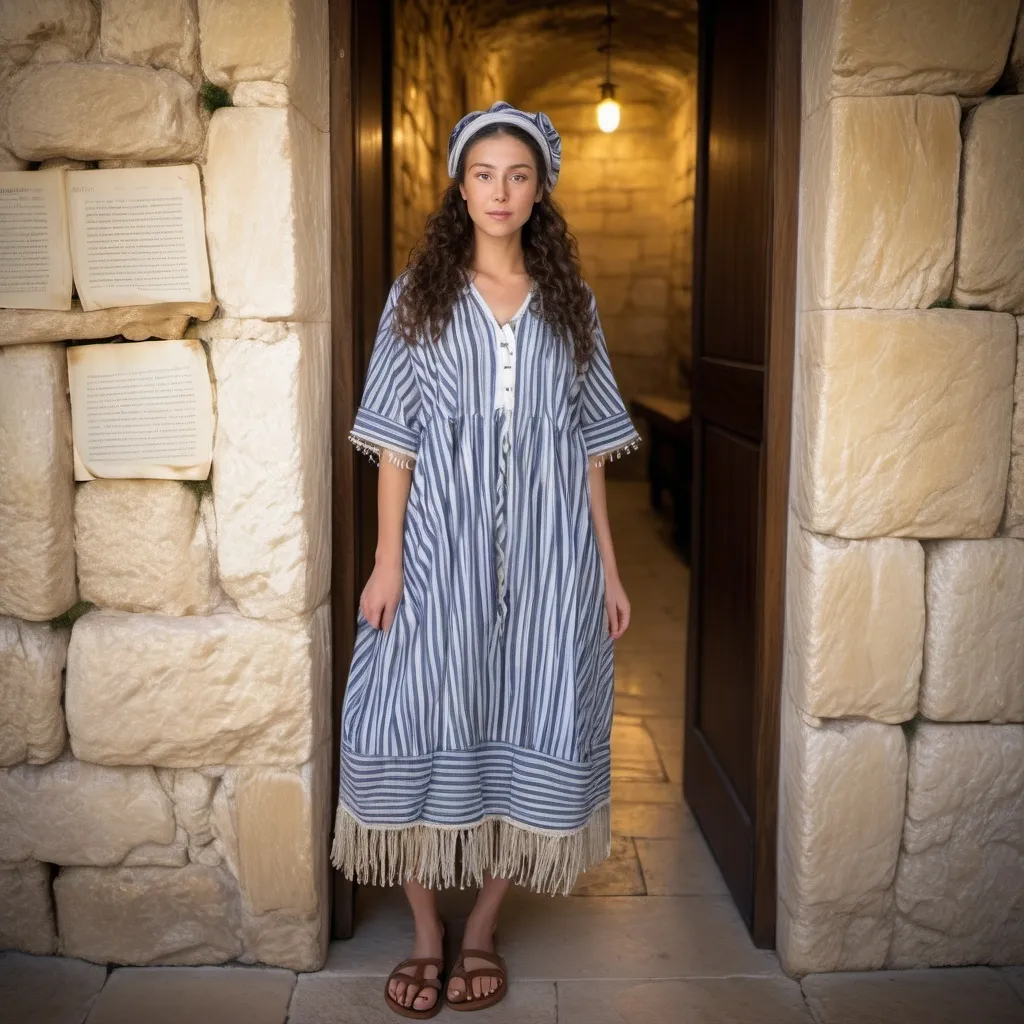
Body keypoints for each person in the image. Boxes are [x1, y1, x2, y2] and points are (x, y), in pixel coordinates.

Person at [331, 100, 642, 1018]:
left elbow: (589, 447)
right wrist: (388, 561)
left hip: (552, 557)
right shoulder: (415, 298)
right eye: (482, 174)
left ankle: (481, 930)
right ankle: (426, 931)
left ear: (540, 189)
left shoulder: (569, 305)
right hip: (439, 550)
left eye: (518, 176)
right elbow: (394, 443)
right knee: (416, 710)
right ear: (459, 186)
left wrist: (610, 570)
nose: (499, 192)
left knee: (534, 705)